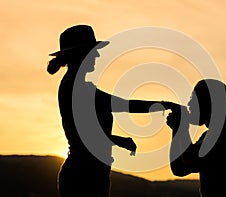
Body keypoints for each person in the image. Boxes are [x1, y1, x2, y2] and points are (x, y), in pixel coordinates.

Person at [47, 24, 173, 197]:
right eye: (93, 51)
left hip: (90, 173)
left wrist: (162, 105)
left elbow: (122, 105)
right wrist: (119, 140)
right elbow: (84, 135)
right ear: (81, 54)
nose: (97, 55)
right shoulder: (76, 88)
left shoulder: (80, 87)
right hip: (85, 176)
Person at [166, 79, 226, 196]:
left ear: (210, 102)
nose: (189, 104)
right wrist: (177, 129)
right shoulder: (209, 135)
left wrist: (182, 128)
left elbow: (190, 158)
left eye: (194, 99)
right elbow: (179, 168)